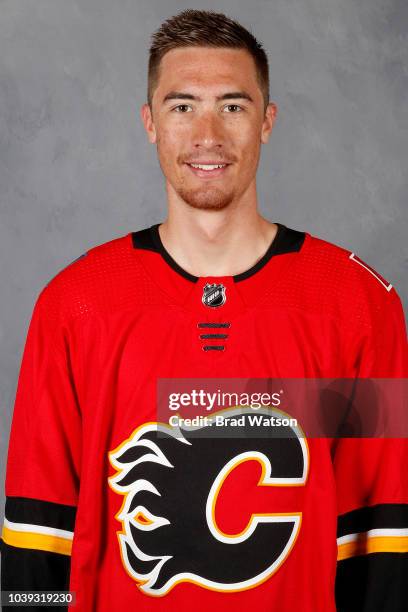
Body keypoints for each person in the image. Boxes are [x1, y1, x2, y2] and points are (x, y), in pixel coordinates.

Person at [1, 9, 407, 612]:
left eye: (234, 106)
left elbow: (382, 531)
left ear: (268, 121)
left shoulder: (356, 305)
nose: (208, 135)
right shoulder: (76, 305)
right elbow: (39, 529)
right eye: (182, 105)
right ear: (150, 123)